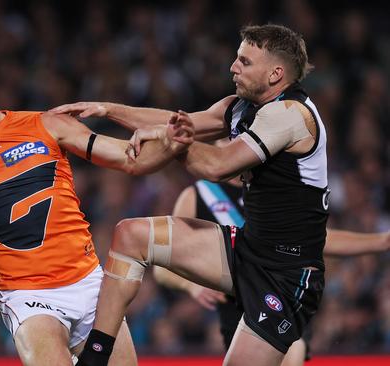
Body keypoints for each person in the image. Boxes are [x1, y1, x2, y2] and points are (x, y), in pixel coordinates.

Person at [52, 24, 329, 366]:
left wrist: (174, 142)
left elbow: (217, 164)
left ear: (275, 74)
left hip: (288, 274)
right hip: (247, 248)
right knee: (130, 235)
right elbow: (178, 122)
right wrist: (108, 110)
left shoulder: (290, 115)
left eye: (244, 61)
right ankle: (96, 356)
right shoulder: (241, 107)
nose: (233, 67)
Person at [0, 53, 192, 365]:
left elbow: (131, 159)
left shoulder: (45, 125)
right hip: (27, 296)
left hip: (89, 284)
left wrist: (174, 143)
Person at [153, 176, 390, 366]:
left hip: (282, 303)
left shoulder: (273, 189)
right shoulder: (197, 195)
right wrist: (191, 285)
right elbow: (164, 266)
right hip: (236, 318)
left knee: (292, 350)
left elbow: (317, 240)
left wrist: (381, 241)